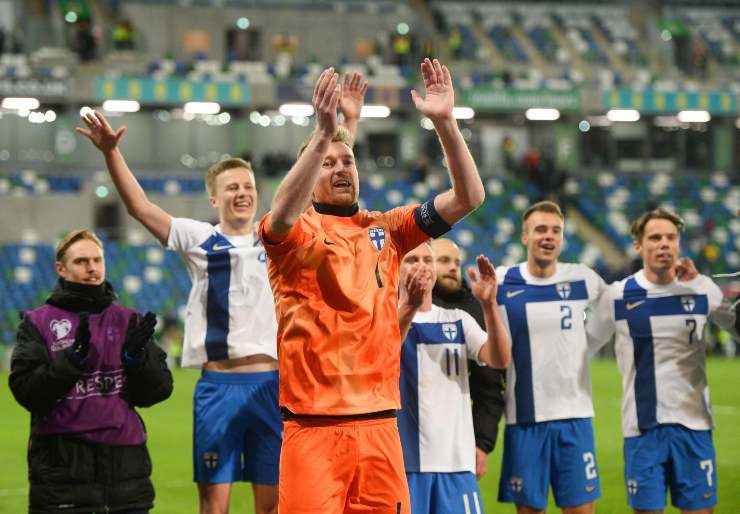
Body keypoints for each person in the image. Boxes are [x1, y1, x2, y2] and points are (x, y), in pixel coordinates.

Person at [76, 75, 367, 514]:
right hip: (219, 386)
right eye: (232, 188)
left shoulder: (281, 237)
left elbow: (324, 181)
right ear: (215, 199)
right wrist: (112, 153)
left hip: (273, 385)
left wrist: (349, 121)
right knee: (215, 505)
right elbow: (141, 209)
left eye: (248, 187)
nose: (242, 194)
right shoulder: (199, 240)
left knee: (272, 505)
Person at [258, 58, 485, 513]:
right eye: (327, 162)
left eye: (348, 160)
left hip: (381, 426)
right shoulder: (295, 234)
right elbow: (282, 213)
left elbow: (468, 198)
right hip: (313, 428)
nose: (341, 167)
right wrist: (323, 133)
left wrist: (445, 123)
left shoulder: (389, 228)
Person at [587, 208, 740, 514]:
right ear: (638, 246)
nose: (664, 244)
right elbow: (581, 347)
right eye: (655, 238)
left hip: (694, 427)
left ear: (679, 244)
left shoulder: (701, 289)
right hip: (643, 431)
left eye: (671, 237)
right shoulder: (617, 296)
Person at [8, 229, 173, 514]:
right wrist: (69, 362)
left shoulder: (128, 320)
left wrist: (138, 359)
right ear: (61, 268)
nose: (92, 268)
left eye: (97, 260)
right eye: (82, 261)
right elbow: (26, 392)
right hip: (62, 470)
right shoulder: (37, 323)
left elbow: (159, 391)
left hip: (126, 473)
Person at [493, 200, 606, 514]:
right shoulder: (503, 280)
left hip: (575, 418)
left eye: (556, 230)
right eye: (540, 229)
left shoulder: (582, 277)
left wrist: (587, 344)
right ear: (524, 237)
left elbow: (616, 311)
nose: (549, 236)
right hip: (525, 420)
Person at [396, 242, 510, 514]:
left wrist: (490, 306)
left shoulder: (458, 319)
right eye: (412, 260)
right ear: (394, 269)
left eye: (427, 259)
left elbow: (500, 359)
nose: (422, 265)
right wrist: (409, 306)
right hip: (403, 466)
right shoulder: (381, 319)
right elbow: (379, 354)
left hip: (456, 464)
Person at [431, 238, 506, 480]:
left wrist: (482, 444)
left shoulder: (471, 313)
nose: (453, 267)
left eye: (457, 262)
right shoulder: (400, 305)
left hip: (456, 447)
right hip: (404, 442)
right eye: (443, 260)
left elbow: (490, 385)